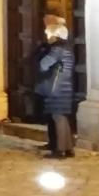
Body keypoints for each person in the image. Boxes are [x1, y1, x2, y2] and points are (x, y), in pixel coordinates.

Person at [37, 15, 78, 158]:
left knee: (58, 118)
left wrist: (42, 57)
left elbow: (44, 65)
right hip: (64, 86)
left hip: (57, 88)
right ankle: (68, 148)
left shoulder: (57, 50)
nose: (47, 36)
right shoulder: (67, 49)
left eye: (49, 34)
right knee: (62, 117)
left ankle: (60, 150)